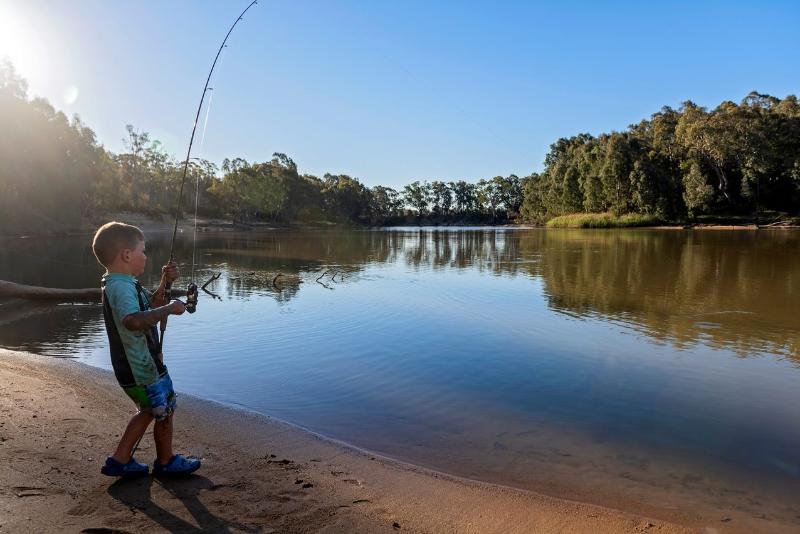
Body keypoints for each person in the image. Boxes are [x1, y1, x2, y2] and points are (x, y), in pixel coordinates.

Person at [91, 221, 201, 477]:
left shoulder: (121, 282)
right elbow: (133, 320)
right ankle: (166, 462)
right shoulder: (120, 287)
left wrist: (165, 282)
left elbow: (148, 306)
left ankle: (120, 460)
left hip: (135, 366)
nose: (146, 256)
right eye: (142, 251)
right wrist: (170, 309)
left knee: (150, 409)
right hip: (142, 368)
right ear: (127, 255)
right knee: (165, 408)